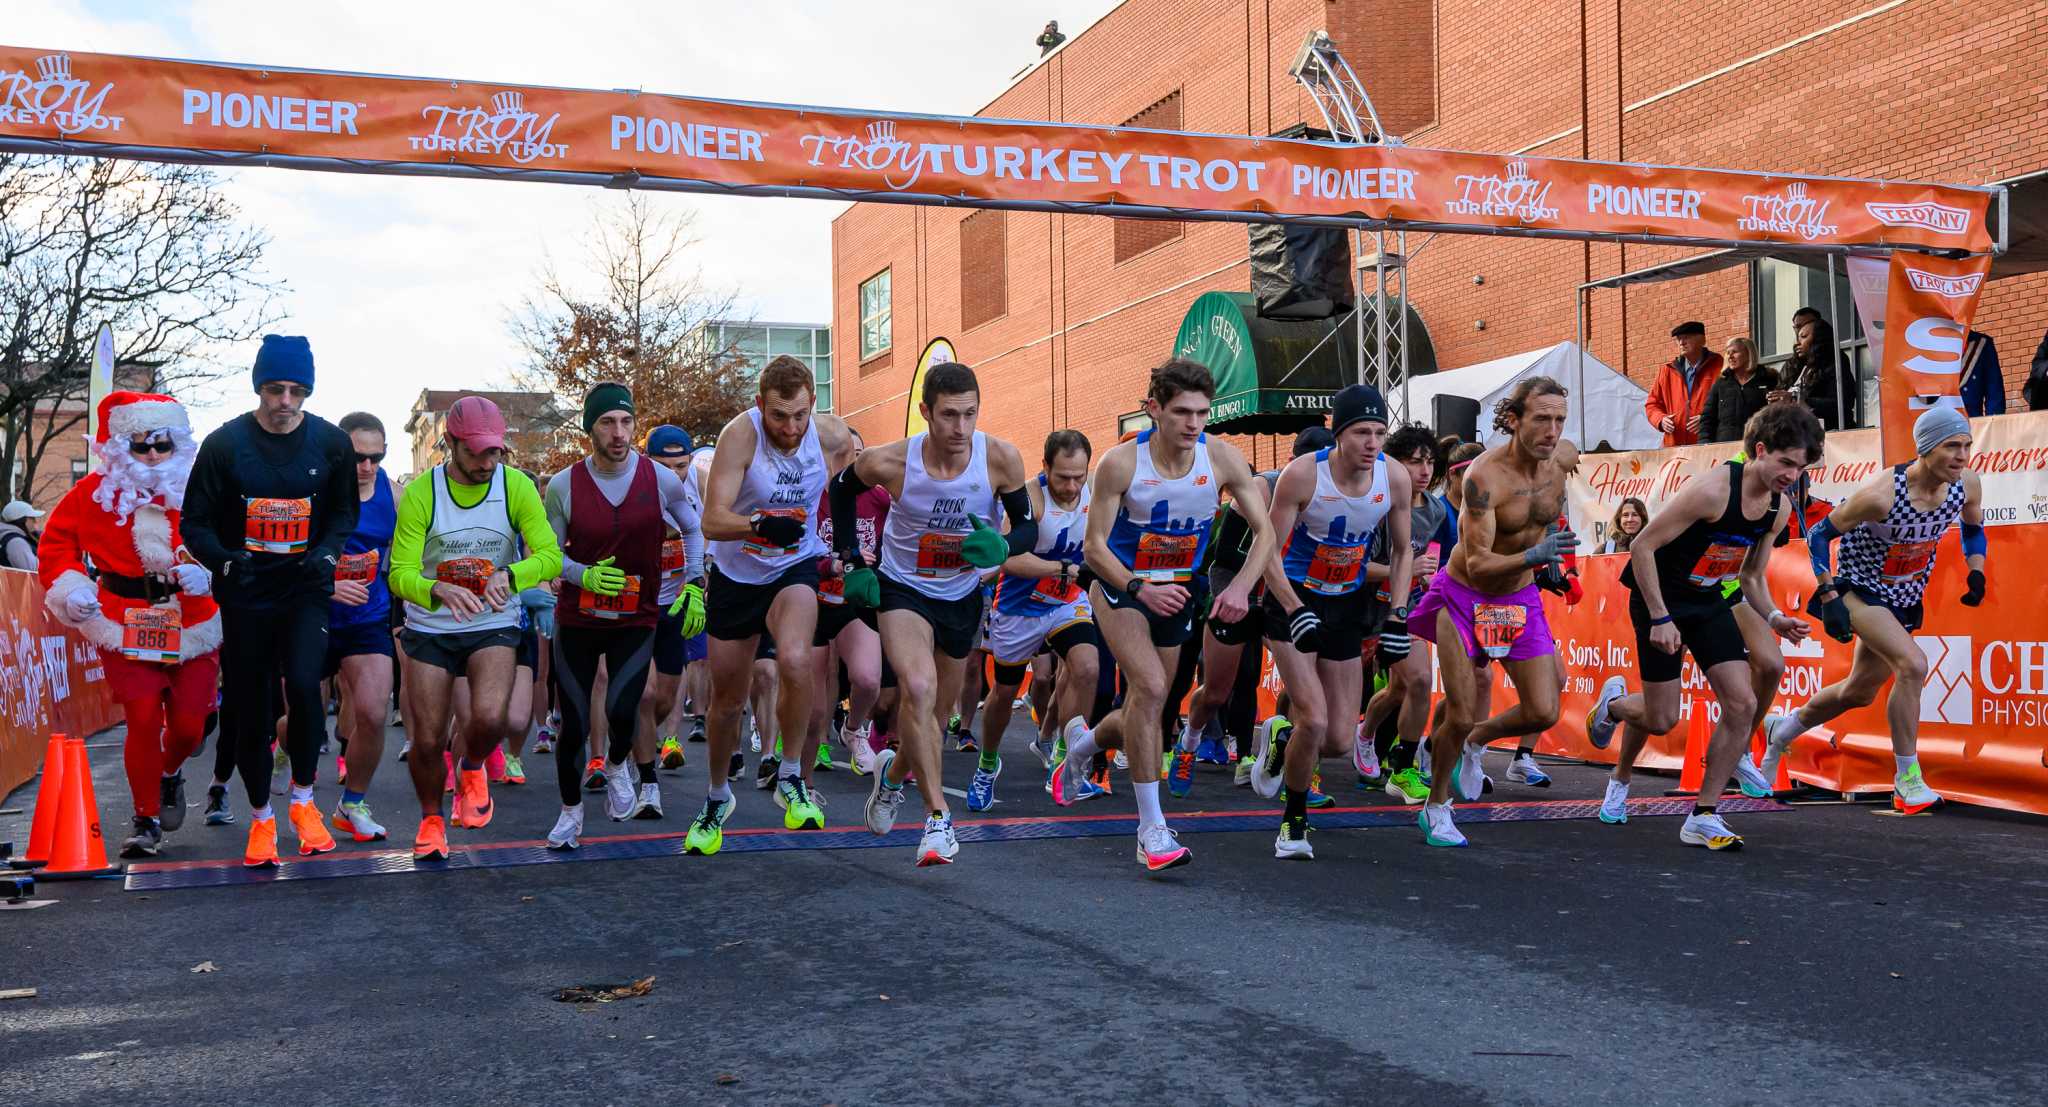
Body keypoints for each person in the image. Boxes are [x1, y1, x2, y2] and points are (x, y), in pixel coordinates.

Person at [1053, 358, 1280, 873]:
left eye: (1202, 412)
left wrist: (1242, 587)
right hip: (1121, 587)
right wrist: (1139, 586)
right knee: (1153, 690)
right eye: (1182, 412)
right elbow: (1093, 549)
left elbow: (1265, 532)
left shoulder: (1220, 458)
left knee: (1146, 708)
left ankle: (1083, 747)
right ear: (1154, 409)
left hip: (1179, 591)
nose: (1194, 423)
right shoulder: (1120, 464)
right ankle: (1150, 829)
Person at [1585, 403, 1824, 849]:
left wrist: (1774, 617)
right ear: (1759, 451)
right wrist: (1659, 616)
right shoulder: (1713, 491)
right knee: (1661, 718)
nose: (1793, 474)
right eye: (1785, 462)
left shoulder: (1779, 509)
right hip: (1661, 597)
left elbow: (1750, 576)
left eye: (1802, 466)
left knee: (1741, 703)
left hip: (1710, 599)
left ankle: (1704, 815)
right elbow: (1642, 546)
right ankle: (1614, 706)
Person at [836, 361, 1032, 865]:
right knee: (917, 690)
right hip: (903, 589)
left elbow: (1029, 530)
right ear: (925, 412)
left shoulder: (1001, 458)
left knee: (936, 719)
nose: (960, 429)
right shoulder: (893, 461)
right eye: (948, 416)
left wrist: (1004, 544)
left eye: (970, 414)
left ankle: (892, 777)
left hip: (961, 595)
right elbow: (840, 490)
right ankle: (939, 819)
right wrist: (855, 562)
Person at [180, 336, 357, 867]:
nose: (285, 402)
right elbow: (194, 522)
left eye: (296, 391)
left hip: (304, 587)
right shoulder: (224, 445)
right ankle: (261, 817)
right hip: (248, 590)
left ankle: (303, 801)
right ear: (259, 387)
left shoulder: (330, 444)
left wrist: (327, 552)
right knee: (252, 708)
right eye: (276, 390)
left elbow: (344, 512)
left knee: (306, 686)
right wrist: (225, 559)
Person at [1761, 406, 1988, 812]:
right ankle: (1907, 780)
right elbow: (1817, 536)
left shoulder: (1965, 484)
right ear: (1926, 449)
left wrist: (1976, 572)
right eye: (1952, 446)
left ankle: (1782, 729)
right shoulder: (1882, 494)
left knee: (1858, 691)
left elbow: (1973, 527)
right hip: (1859, 589)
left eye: (1966, 445)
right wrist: (1829, 595)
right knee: (1913, 665)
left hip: (1904, 594)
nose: (1962, 456)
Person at [37, 391, 220, 858]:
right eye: (142, 446)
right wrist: (73, 587)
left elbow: (229, 541)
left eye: (163, 444)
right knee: (141, 718)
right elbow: (56, 546)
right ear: (119, 447)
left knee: (188, 729)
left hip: (193, 620)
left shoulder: (199, 488)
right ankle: (146, 819)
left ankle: (170, 772)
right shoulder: (89, 494)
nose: (155, 455)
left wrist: (210, 570)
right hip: (122, 620)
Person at [690, 358, 855, 854]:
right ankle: (718, 796)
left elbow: (847, 486)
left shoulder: (830, 435)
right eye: (780, 416)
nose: (791, 428)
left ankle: (790, 775)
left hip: (793, 567)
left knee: (797, 659)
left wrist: (843, 545)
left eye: (800, 415)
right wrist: (758, 526)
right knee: (727, 703)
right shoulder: (739, 438)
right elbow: (712, 522)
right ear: (760, 405)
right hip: (738, 574)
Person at [387, 396, 561, 859]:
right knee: (426, 737)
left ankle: (474, 764)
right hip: (431, 626)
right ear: (450, 445)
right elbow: (398, 572)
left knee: (491, 718)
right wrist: (435, 589)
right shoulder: (423, 492)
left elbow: (549, 554)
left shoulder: (517, 486)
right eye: (478, 451)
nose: (489, 461)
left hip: (492, 620)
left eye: (495, 451)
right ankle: (430, 820)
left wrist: (512, 576)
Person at [1248, 384, 1413, 860]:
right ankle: (1293, 823)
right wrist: (1293, 607)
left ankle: (1280, 734)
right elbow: (1268, 551)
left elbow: (1403, 552)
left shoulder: (1394, 478)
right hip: (1293, 599)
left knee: (1339, 739)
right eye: (1362, 432)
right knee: (1315, 720)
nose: (1372, 443)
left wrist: (1398, 614)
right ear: (1337, 434)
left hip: (1346, 602)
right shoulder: (1303, 476)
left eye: (1380, 432)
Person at [1409, 376, 1575, 848]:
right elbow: (1478, 562)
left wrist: (1551, 556)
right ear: (1513, 420)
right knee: (1458, 713)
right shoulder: (1485, 477)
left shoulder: (1561, 458)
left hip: (1519, 599)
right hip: (1464, 596)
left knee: (1543, 710)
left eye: (1559, 419)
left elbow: (1565, 473)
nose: (1552, 430)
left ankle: (1476, 741)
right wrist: (1536, 557)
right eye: (1541, 419)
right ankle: (1436, 805)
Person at [543, 383, 700, 850]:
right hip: (578, 618)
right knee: (573, 722)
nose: (618, 432)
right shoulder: (563, 485)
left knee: (623, 708)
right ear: (590, 428)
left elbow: (692, 527)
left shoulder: (661, 479)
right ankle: (570, 814)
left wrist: (695, 582)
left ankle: (616, 762)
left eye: (626, 421)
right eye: (607, 422)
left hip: (636, 615)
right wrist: (583, 575)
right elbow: (549, 557)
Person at [1176, 429, 1323, 785]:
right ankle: (1189, 743)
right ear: (1295, 464)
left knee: (1302, 680)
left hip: (1279, 594)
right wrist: (1258, 572)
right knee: (1219, 689)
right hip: (1235, 588)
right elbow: (1225, 554)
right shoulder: (1262, 488)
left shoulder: (1334, 499)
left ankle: (1270, 759)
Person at [971, 429, 1100, 812]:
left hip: (1066, 603)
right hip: (1018, 607)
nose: (1072, 485)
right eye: (1062, 477)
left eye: (1079, 476)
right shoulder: (1030, 497)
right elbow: (1006, 558)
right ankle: (987, 764)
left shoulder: (1095, 489)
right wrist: (1062, 568)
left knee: (1086, 668)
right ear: (1045, 467)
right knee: (1004, 692)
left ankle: (1065, 759)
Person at [1355, 423, 1454, 798]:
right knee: (1382, 692)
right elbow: (1357, 567)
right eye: (1414, 463)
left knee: (1416, 682)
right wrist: (1404, 568)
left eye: (1429, 462)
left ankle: (1400, 767)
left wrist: (1428, 577)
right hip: (1362, 607)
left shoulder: (1435, 510)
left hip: (1404, 607)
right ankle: (1360, 735)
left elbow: (1428, 557)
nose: (1424, 471)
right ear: (1391, 465)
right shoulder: (1373, 503)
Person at [323, 412, 398, 843]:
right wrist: (326, 583)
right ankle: (286, 761)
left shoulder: (396, 493)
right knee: (296, 723)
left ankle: (352, 803)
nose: (367, 466)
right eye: (357, 457)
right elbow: (284, 556)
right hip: (313, 616)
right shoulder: (315, 490)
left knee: (372, 712)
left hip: (368, 618)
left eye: (376, 456)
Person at [809, 427, 888, 777]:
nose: (851, 463)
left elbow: (898, 540)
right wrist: (833, 563)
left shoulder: (879, 498)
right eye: (843, 455)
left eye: (858, 455)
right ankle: (800, 763)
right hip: (810, 598)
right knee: (814, 687)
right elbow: (789, 555)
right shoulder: (810, 497)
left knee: (868, 679)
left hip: (853, 599)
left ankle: (854, 729)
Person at [640, 425, 706, 797]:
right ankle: (642, 771)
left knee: (665, 696)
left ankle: (654, 740)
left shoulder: (699, 481)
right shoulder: (635, 488)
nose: (674, 475)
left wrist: (700, 576)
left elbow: (706, 529)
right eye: (664, 466)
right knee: (645, 694)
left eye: (681, 465)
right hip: (637, 605)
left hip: (680, 599)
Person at [1772, 307, 1851, 431]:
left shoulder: (1835, 360)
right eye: (1796, 329)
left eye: (1804, 335)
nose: (1798, 341)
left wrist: (1797, 399)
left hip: (1827, 434)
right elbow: (1782, 389)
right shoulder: (1794, 364)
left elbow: (1841, 403)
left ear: (1819, 335)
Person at [1645, 321, 1721, 447]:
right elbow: (1652, 404)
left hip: (1708, 447)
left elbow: (1730, 405)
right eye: (1679, 339)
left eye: (1687, 337)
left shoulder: (1720, 367)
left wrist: (1708, 419)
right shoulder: (1667, 371)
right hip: (1674, 449)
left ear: (1703, 340)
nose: (1681, 342)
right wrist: (1661, 420)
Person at [1698, 336, 1777, 444]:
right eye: (1728, 353)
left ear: (1749, 353)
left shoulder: (1769, 379)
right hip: (1725, 448)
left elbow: (1778, 416)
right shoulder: (1721, 383)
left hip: (1758, 448)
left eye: (1734, 352)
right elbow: (1707, 419)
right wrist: (1705, 444)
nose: (1730, 356)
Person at [0, 499, 41, 570]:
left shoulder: (14, 538)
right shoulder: (16, 542)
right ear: (22, 520)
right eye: (32, 518)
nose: (35, 521)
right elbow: (32, 570)